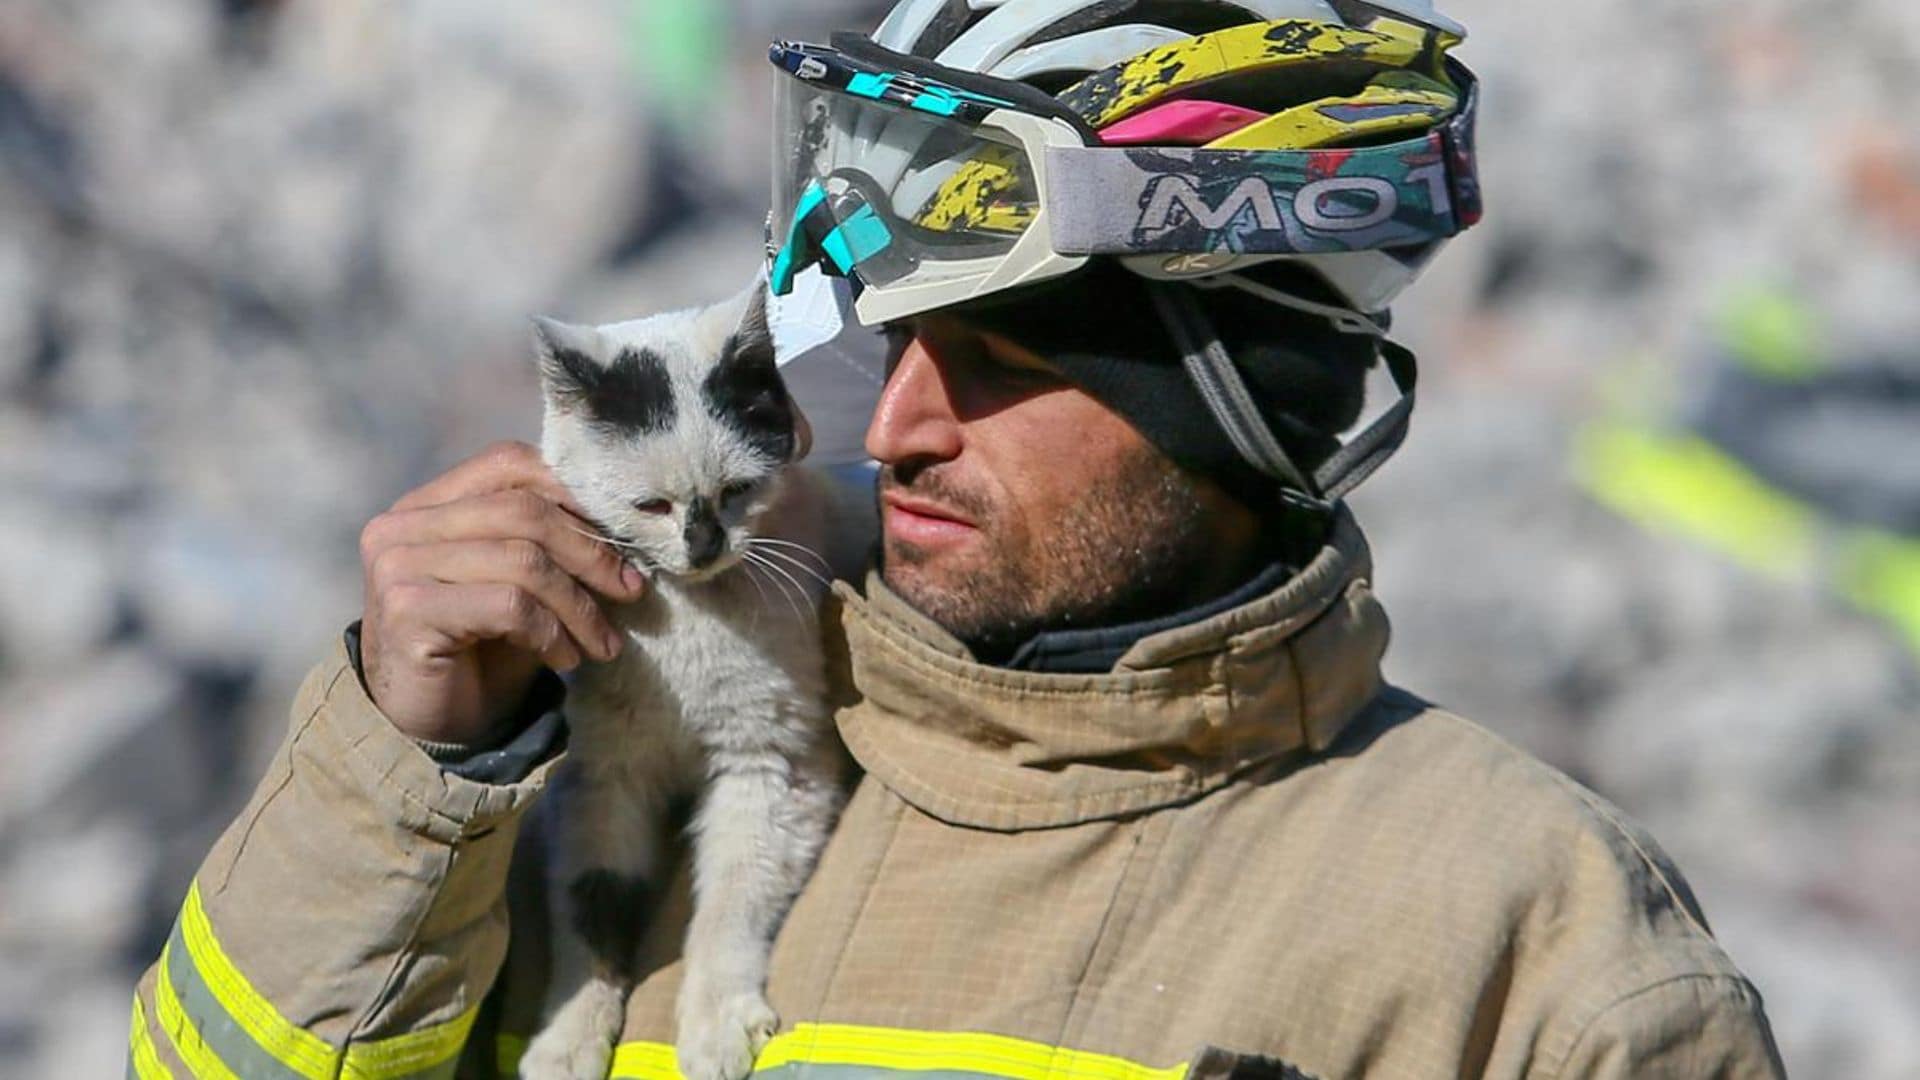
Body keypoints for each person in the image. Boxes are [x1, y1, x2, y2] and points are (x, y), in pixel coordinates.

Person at [128, 2, 1787, 1078]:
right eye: (890, 348)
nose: (896, 425)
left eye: (1003, 363)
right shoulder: (592, 735)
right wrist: (413, 768)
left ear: (1236, 398)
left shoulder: (1519, 934)